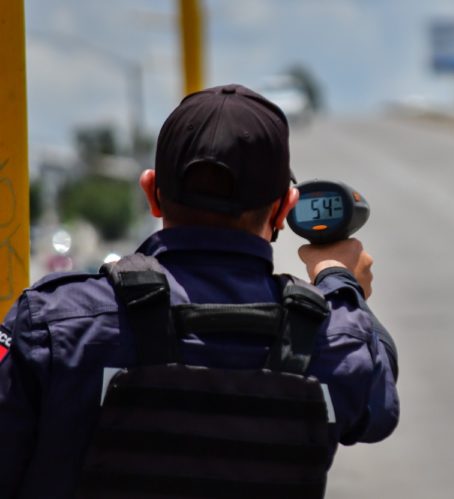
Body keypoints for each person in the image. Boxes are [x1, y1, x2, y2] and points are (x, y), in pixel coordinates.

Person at [0, 83, 399, 497]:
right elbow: (378, 406)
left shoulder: (54, 323)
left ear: (151, 193)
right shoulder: (333, 338)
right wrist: (340, 284)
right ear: (284, 208)